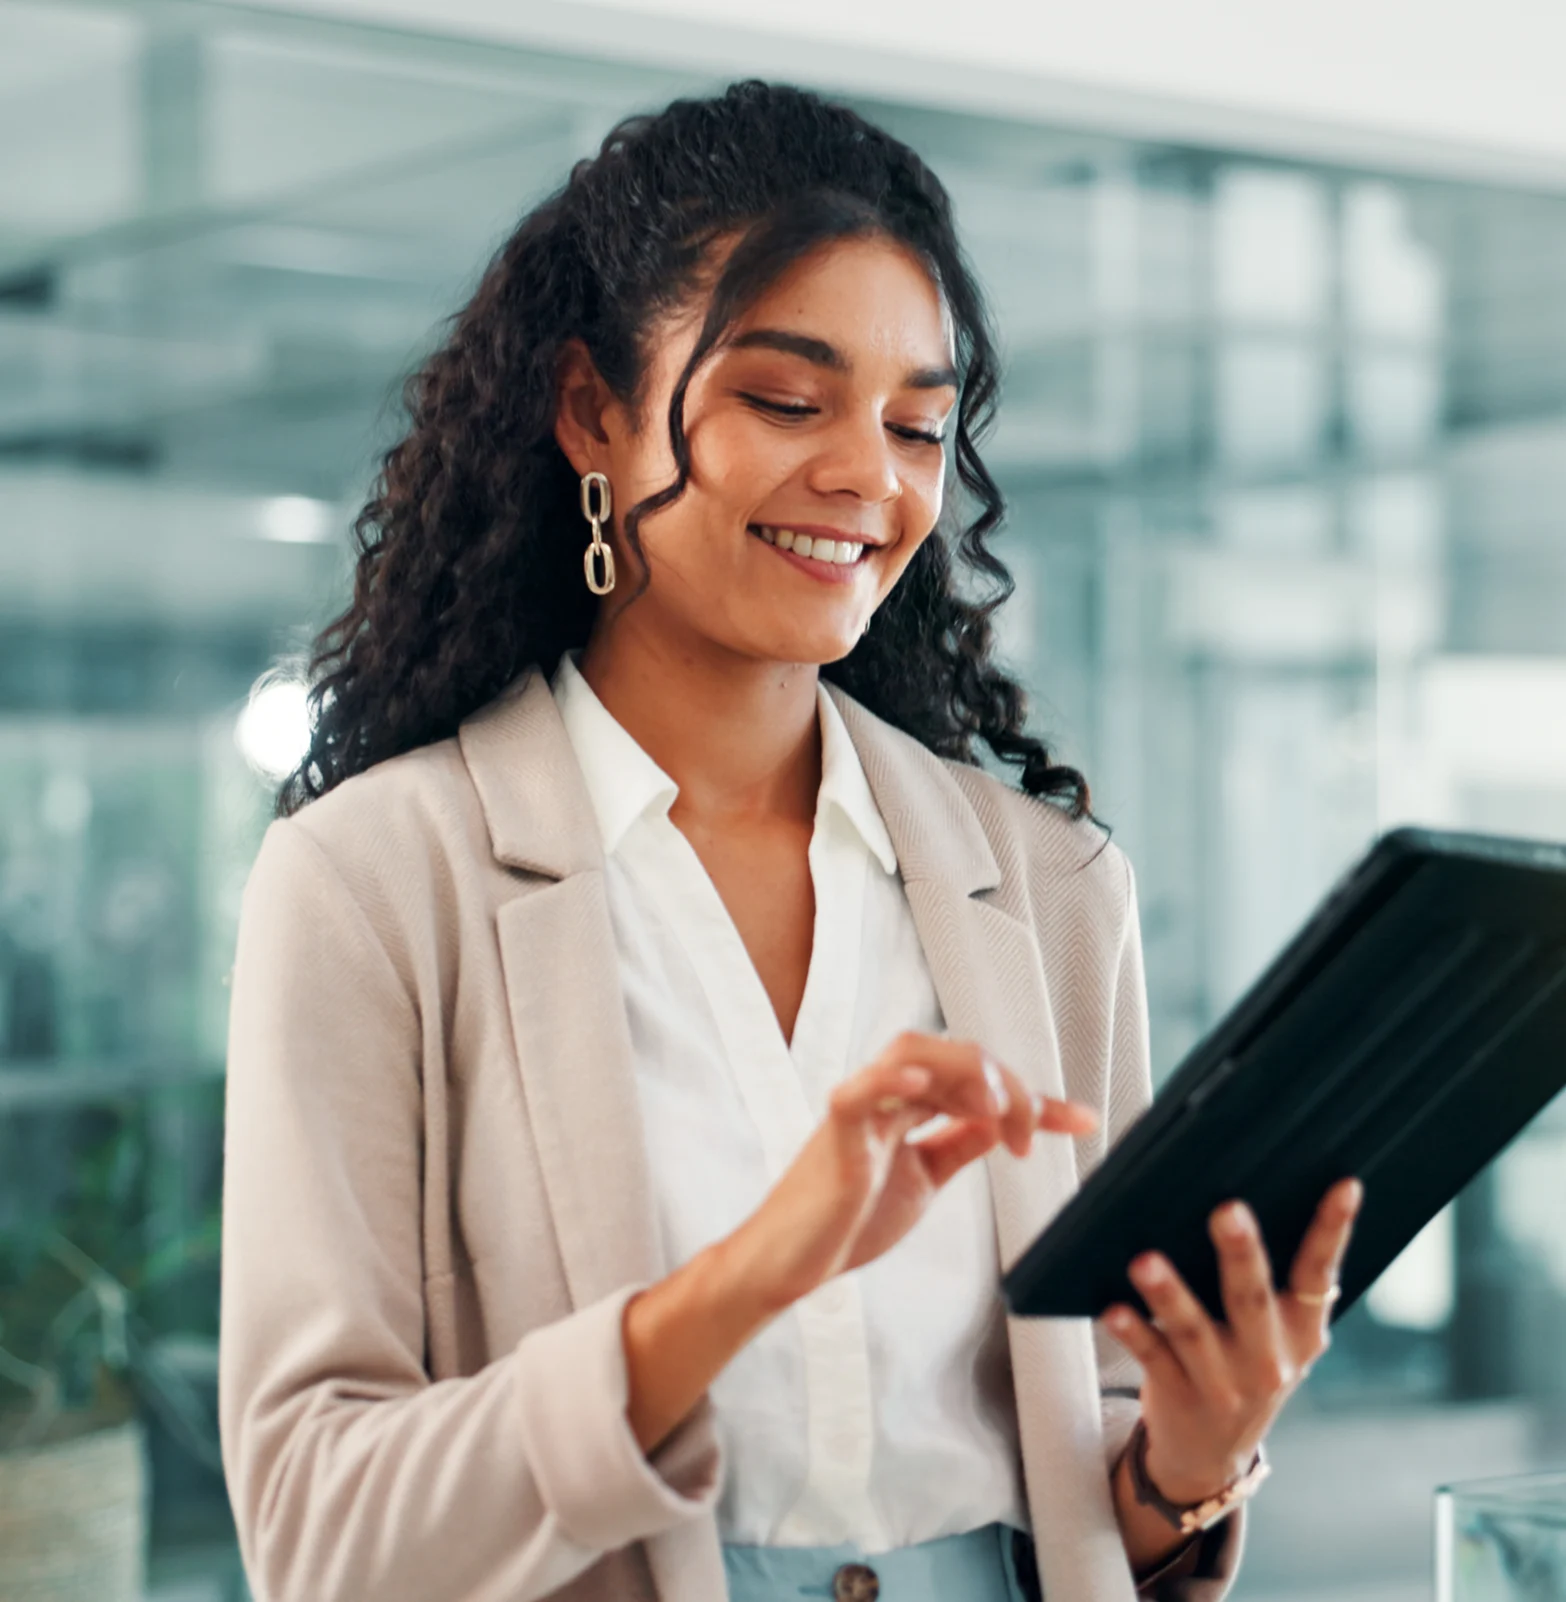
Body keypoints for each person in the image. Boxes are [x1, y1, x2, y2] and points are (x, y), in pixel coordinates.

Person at [218, 81, 1361, 1602]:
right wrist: (753, 1271)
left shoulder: (1055, 890)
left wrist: (1186, 1462)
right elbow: (317, 1532)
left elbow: (1087, 1493)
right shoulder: (373, 882)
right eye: (783, 397)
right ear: (591, 412)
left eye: (916, 423)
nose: (867, 478)